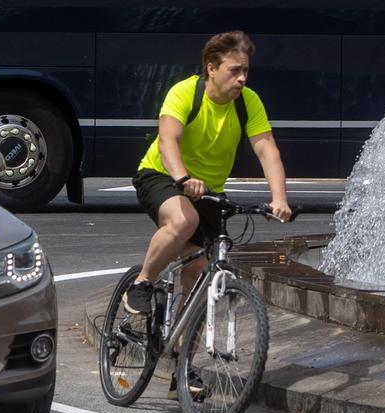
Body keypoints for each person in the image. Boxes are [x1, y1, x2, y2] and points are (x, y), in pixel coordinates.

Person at [123, 31, 293, 334]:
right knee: (183, 219)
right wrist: (183, 178)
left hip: (208, 192)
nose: (242, 78)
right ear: (211, 68)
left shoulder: (248, 103)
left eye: (245, 71)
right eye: (234, 70)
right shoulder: (185, 93)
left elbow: (267, 150)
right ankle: (142, 283)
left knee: (201, 274)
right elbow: (167, 141)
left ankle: (181, 359)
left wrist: (279, 199)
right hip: (163, 176)